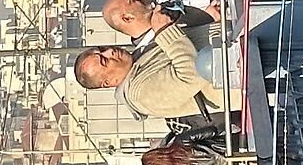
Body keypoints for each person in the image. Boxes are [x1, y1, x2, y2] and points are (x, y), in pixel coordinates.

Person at [72, 21, 224, 121]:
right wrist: (165, 30)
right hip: (237, 72)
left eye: (102, 49)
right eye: (104, 61)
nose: (110, 51)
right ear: (108, 82)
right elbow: (191, 75)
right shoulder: (139, 95)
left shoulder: (140, 57)